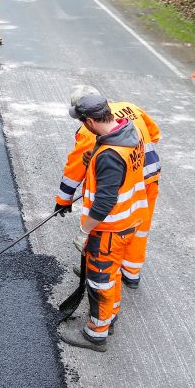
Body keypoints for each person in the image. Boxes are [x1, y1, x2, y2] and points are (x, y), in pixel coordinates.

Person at [59, 96, 149, 352]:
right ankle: (110, 316)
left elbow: (105, 202)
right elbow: (122, 172)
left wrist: (84, 231)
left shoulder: (110, 155)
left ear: (90, 121)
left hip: (110, 229)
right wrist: (94, 160)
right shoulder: (127, 131)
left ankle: (96, 334)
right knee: (111, 276)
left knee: (99, 283)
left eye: (81, 121)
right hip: (130, 221)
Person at [55, 85, 161, 287]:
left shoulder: (90, 130)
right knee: (138, 226)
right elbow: (154, 135)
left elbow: (75, 169)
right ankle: (131, 273)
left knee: (106, 227)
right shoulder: (129, 108)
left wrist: (63, 199)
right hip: (147, 176)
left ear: (88, 118)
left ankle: (98, 268)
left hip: (124, 182)